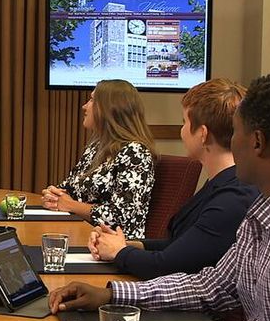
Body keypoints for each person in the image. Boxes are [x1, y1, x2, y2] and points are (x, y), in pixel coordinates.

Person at [49, 72, 270, 321]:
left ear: (257, 142)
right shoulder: (269, 202)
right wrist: (113, 294)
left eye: (235, 131)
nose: (230, 142)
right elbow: (213, 286)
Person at [88, 79, 259, 279]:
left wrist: (119, 252)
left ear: (203, 134)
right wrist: (125, 244)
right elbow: (182, 246)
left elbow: (166, 266)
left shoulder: (232, 198)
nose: (182, 130)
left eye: (184, 122)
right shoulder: (223, 184)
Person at [41, 79, 156, 239]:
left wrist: (71, 205)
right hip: (83, 234)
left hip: (114, 244)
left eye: (92, 100)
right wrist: (53, 195)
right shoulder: (96, 147)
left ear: (109, 109)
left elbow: (123, 216)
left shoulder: (135, 153)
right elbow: (69, 188)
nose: (84, 106)